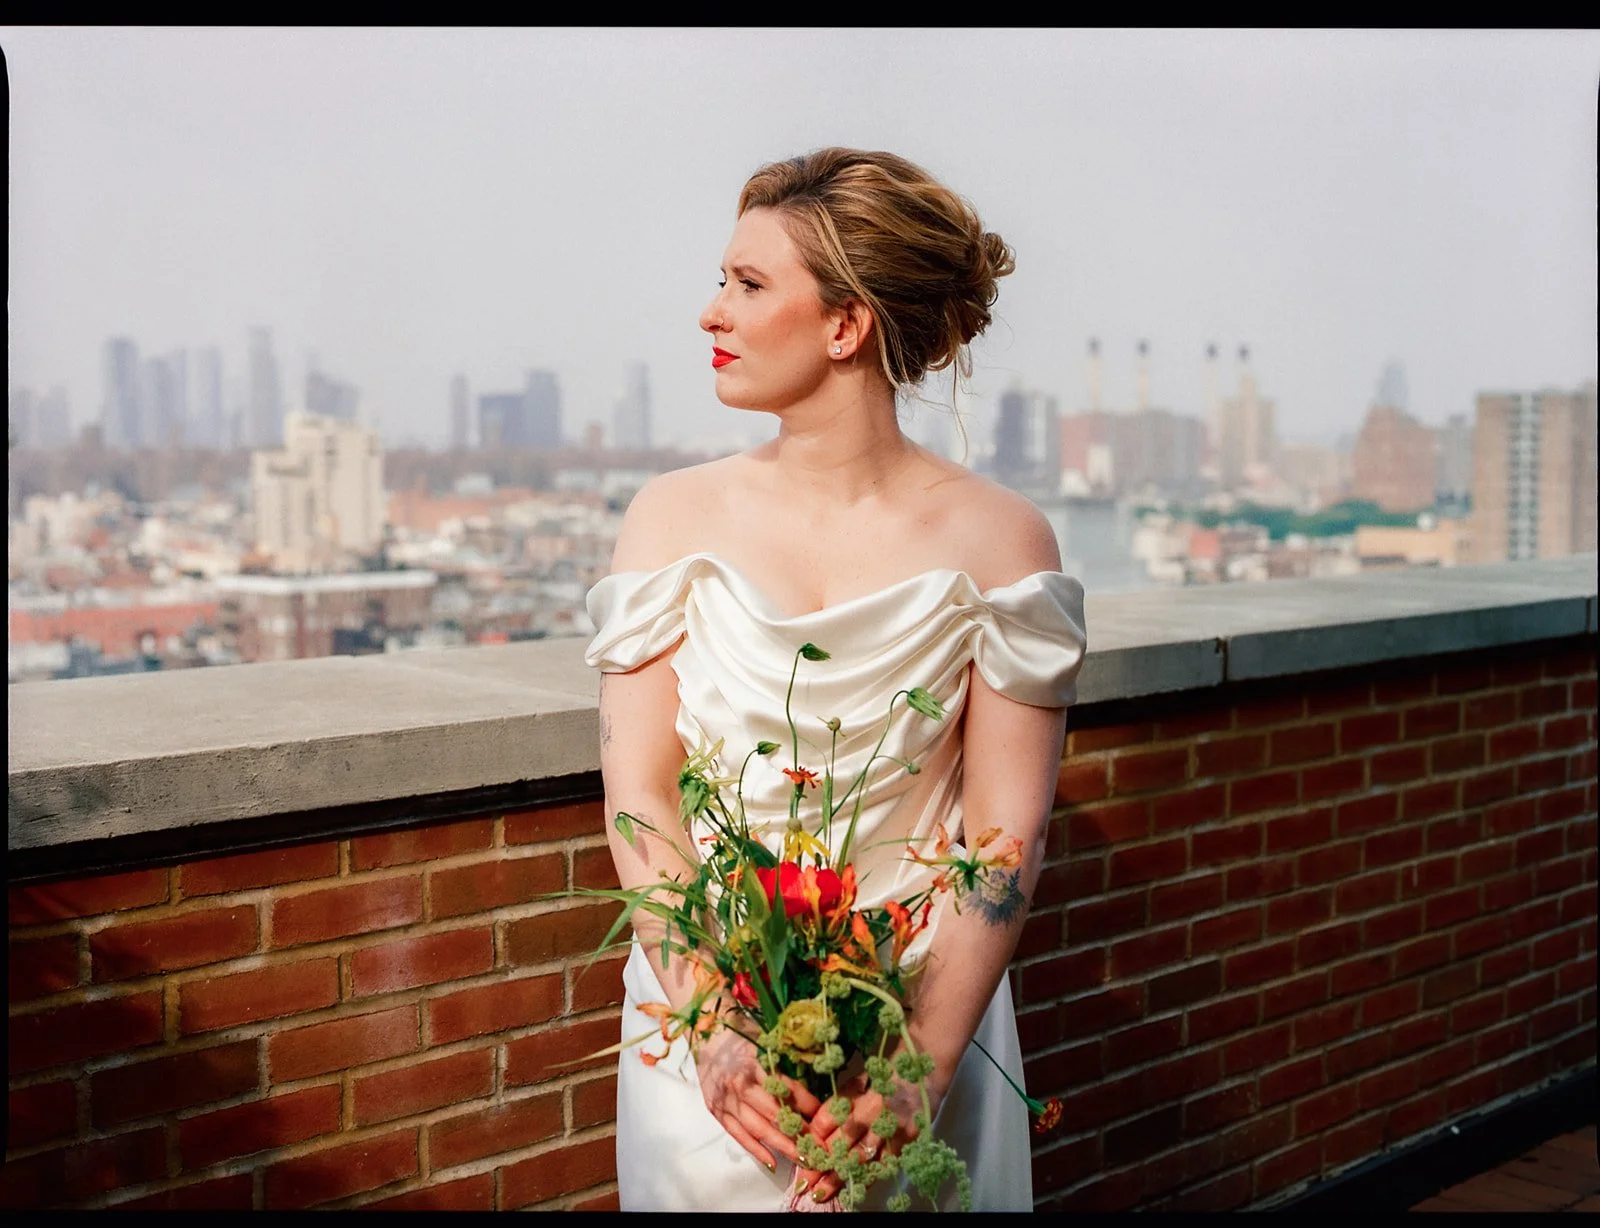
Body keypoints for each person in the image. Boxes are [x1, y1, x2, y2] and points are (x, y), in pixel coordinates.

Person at [584, 148, 1087, 1212]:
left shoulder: (1002, 541)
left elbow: (1005, 832)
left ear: (846, 325)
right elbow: (641, 792)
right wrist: (711, 1028)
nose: (710, 312)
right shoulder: (669, 520)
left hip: (920, 1020)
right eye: (724, 280)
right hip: (703, 1052)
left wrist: (924, 1065)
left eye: (748, 284)